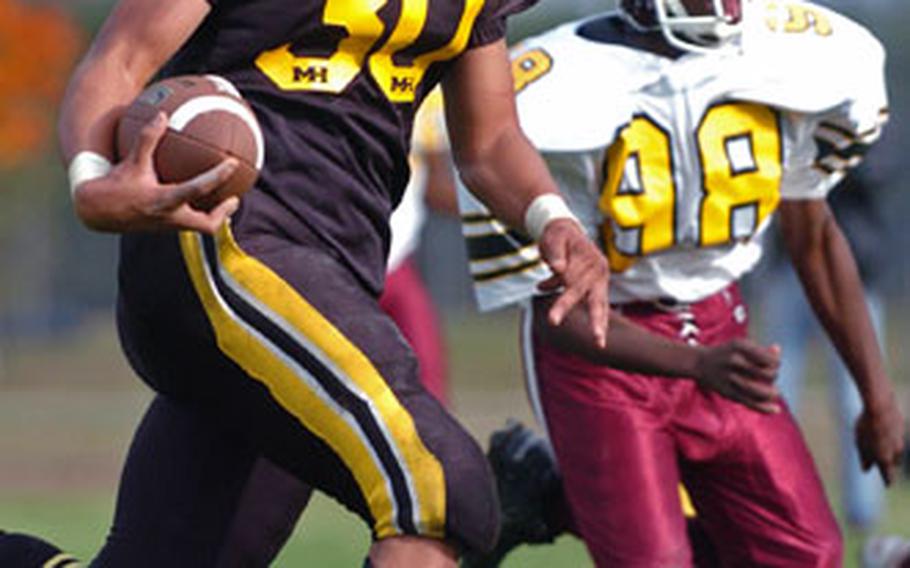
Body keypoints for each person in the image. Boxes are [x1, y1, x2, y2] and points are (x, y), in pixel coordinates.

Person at [57, 0, 610, 566]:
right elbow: (120, 59)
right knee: (442, 491)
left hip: (336, 274)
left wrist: (552, 219)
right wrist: (92, 179)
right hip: (220, 244)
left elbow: (490, 143)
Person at [456, 0, 905, 565]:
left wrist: (877, 395)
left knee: (806, 554)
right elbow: (558, 313)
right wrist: (693, 363)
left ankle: (550, 492)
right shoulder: (552, 87)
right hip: (603, 352)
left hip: (722, 331)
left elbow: (812, 235)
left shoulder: (795, 54)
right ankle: (548, 490)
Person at [759, 163, 891, 535]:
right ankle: (779, 503)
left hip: (857, 265)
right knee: (776, 395)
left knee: (857, 400)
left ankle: (864, 515)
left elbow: (883, 164)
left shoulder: (871, 111)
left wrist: (820, 159)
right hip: (789, 265)